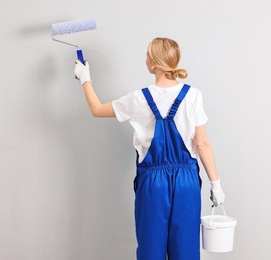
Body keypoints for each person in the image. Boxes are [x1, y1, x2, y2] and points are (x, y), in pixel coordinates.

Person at [74, 37, 226, 260]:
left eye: (147, 54)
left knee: (150, 252)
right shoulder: (193, 95)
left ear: (154, 63)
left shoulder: (138, 99)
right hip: (187, 183)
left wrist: (85, 78)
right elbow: (202, 144)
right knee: (185, 251)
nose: (144, 58)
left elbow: (96, 109)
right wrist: (216, 184)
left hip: (152, 184)